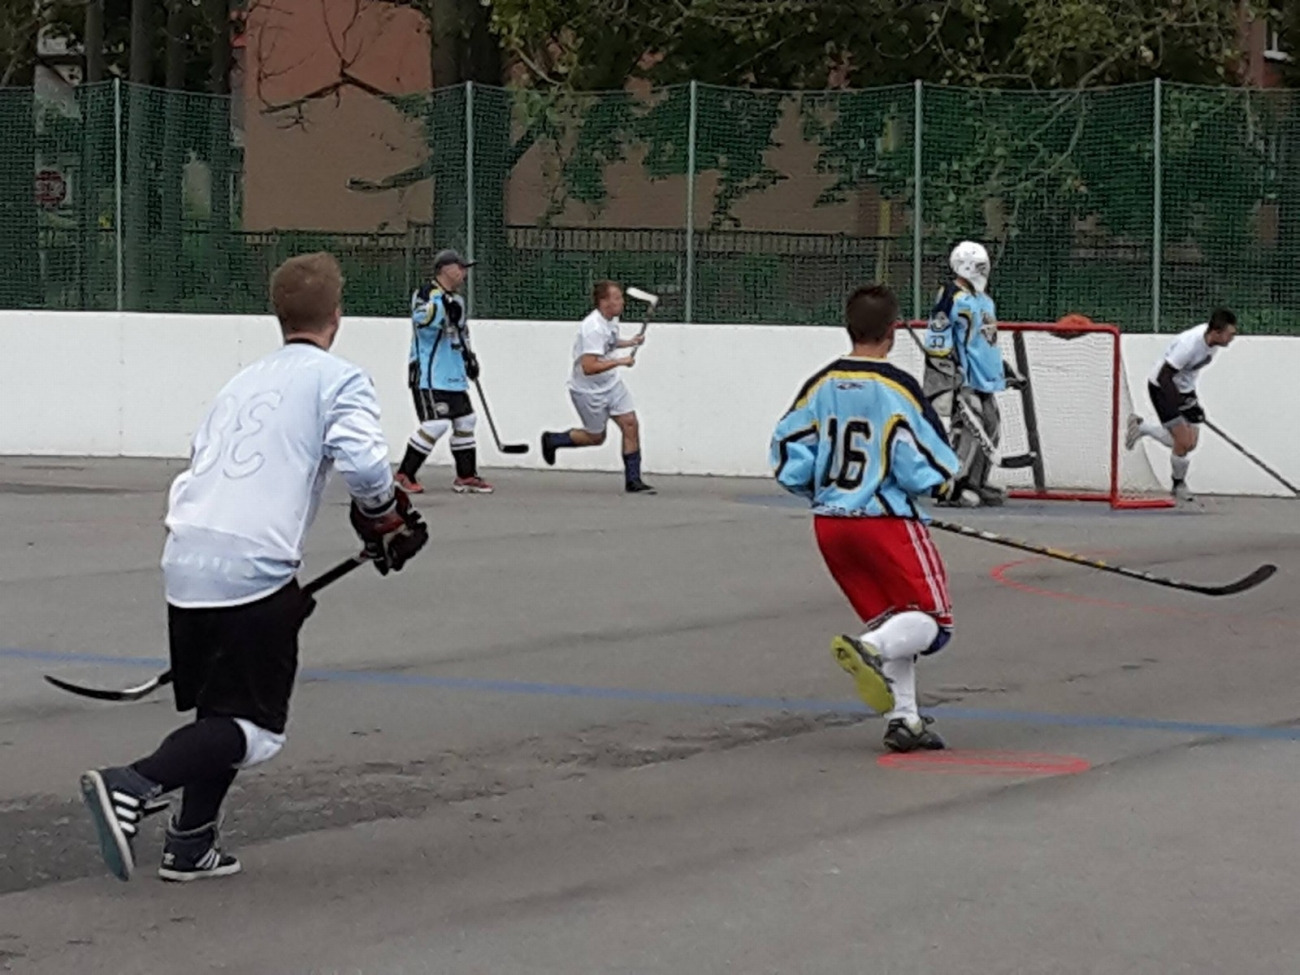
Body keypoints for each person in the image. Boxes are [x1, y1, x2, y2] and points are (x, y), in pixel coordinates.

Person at [78, 252, 428, 883]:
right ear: (337, 316)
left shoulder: (240, 383)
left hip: (187, 558)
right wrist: (382, 516)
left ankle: (191, 844)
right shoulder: (339, 379)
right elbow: (366, 467)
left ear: (278, 314)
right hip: (251, 565)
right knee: (253, 728)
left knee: (219, 712)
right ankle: (132, 783)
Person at [771, 283, 962, 753]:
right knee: (932, 622)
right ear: (893, 331)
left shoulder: (820, 384)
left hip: (830, 525)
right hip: (884, 522)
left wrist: (821, 491)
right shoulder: (895, 387)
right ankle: (869, 651)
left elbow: (789, 448)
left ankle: (905, 719)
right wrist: (943, 484)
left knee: (896, 619)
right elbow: (920, 460)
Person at [922, 240, 1023, 507]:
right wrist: (945, 372)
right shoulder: (950, 297)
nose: (983, 271)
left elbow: (986, 342)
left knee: (991, 424)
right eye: (978, 266)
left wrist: (1003, 370)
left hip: (984, 380)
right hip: (964, 379)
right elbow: (938, 337)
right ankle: (952, 486)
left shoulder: (985, 301)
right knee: (969, 427)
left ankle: (976, 481)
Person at [539, 280, 654, 494]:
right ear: (603, 302)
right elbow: (589, 367)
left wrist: (629, 342)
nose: (622, 302)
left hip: (612, 384)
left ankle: (633, 480)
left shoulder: (610, 321)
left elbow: (609, 342)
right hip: (588, 391)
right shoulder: (592, 328)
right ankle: (553, 440)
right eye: (616, 298)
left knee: (630, 423)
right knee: (596, 437)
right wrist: (621, 361)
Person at [395, 249, 493, 495]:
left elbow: (461, 332)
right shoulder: (426, 293)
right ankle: (404, 474)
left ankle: (466, 476)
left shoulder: (458, 299)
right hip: (429, 375)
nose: (464, 273)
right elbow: (422, 321)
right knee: (435, 424)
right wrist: (441, 306)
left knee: (466, 420)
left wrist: (469, 358)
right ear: (446, 269)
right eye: (460, 268)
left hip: (453, 374)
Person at [1126, 307, 1238, 502]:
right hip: (1162, 388)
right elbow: (1164, 377)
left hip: (1185, 389)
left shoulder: (1212, 343)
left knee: (1189, 443)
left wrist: (1190, 401)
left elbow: (1188, 375)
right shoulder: (1189, 345)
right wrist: (1182, 404)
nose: (1232, 338)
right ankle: (1178, 485)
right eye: (1230, 334)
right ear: (1217, 332)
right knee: (1183, 442)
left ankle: (1142, 427)